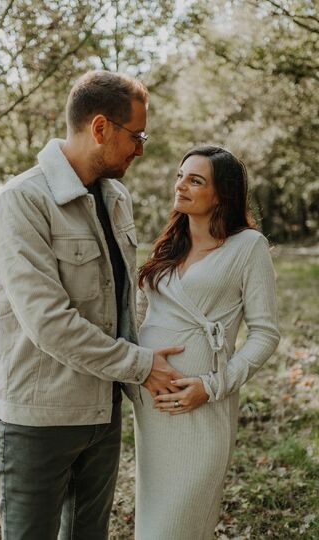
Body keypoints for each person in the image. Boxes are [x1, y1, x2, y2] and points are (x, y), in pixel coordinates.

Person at [0, 70, 184, 540]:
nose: (141, 148)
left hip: (104, 410)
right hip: (40, 417)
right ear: (100, 129)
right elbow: (49, 323)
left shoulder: (117, 197)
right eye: (135, 135)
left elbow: (123, 299)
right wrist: (140, 365)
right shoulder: (22, 200)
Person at [133, 145, 280, 540]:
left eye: (195, 180)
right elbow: (138, 317)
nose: (180, 185)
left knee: (178, 525)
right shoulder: (166, 247)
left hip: (203, 405)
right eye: (180, 175)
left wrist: (213, 385)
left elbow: (265, 333)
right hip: (152, 405)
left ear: (222, 195)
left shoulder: (248, 247)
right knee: (152, 524)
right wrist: (138, 366)